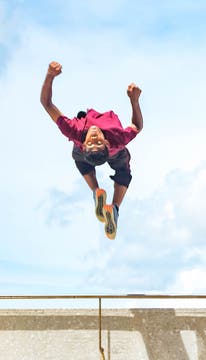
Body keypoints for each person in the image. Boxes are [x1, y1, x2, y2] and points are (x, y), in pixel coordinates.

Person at [40, 61, 144, 240]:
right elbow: (137, 126)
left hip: (85, 153)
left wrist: (49, 76)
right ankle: (115, 208)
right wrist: (134, 101)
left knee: (79, 159)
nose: (94, 136)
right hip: (117, 153)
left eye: (91, 141)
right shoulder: (117, 139)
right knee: (123, 172)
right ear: (107, 144)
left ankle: (96, 191)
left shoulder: (75, 133)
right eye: (97, 141)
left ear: (84, 143)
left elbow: (47, 103)